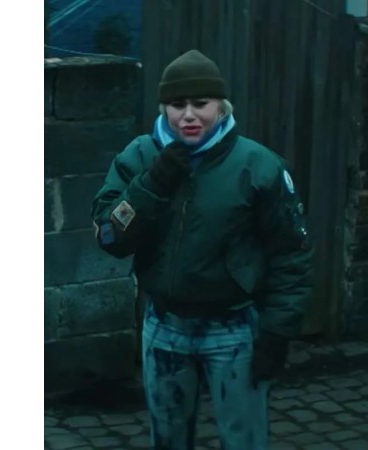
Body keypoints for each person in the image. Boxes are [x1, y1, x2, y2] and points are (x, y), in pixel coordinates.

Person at [92, 49, 313, 450]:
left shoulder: (258, 166)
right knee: (169, 440)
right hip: (164, 326)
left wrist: (278, 330)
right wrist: (153, 184)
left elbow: (290, 253)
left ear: (221, 106)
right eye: (178, 104)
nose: (189, 115)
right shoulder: (139, 156)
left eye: (201, 103)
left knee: (244, 441)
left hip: (234, 330)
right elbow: (110, 237)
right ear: (164, 107)